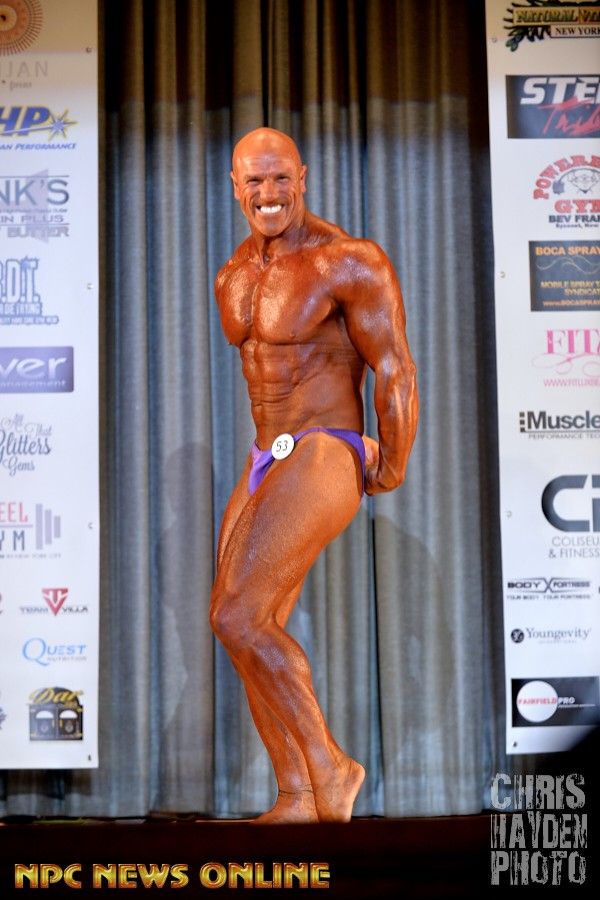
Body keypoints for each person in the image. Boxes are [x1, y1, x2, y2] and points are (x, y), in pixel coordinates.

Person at [210, 127, 418, 824]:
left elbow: (394, 367)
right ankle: (297, 793)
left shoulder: (348, 260)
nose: (268, 193)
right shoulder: (234, 273)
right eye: (254, 181)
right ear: (235, 187)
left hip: (326, 446)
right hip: (265, 456)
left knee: (237, 614)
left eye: (280, 178)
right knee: (245, 626)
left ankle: (332, 768)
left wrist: (392, 460)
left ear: (302, 177)